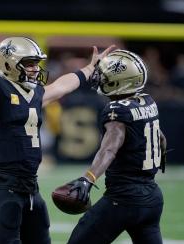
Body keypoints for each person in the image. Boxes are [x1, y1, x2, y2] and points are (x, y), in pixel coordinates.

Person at [0, 33, 114, 244]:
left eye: (36, 63)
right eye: (29, 63)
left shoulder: (33, 93)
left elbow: (63, 86)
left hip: (31, 187)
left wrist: (89, 69)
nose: (36, 68)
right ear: (9, 64)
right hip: (3, 187)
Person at [66, 50, 167, 244]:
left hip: (122, 198)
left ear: (119, 81)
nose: (99, 79)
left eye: (105, 76)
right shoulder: (148, 101)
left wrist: (88, 179)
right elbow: (161, 138)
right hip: (152, 196)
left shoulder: (116, 110)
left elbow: (109, 149)